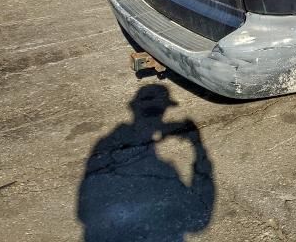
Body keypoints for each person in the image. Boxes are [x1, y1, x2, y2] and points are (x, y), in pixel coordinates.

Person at [77, 85, 214, 242]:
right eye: (156, 111)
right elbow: (199, 219)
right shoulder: (161, 171)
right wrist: (197, 146)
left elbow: (84, 212)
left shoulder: (106, 147)